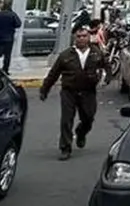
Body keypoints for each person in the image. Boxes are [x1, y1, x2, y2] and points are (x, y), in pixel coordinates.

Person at [39, 25, 106, 160]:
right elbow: (53, 74)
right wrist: (44, 90)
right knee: (66, 120)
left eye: (84, 36)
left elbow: (106, 65)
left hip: (88, 91)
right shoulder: (65, 55)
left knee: (88, 118)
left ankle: (81, 133)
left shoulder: (96, 53)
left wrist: (107, 77)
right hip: (69, 92)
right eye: (78, 36)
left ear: (89, 37)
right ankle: (65, 148)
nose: (81, 39)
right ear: (74, 38)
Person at [0, 1, 22, 75]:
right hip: (8, 38)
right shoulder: (12, 14)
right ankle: (5, 69)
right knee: (7, 55)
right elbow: (18, 24)